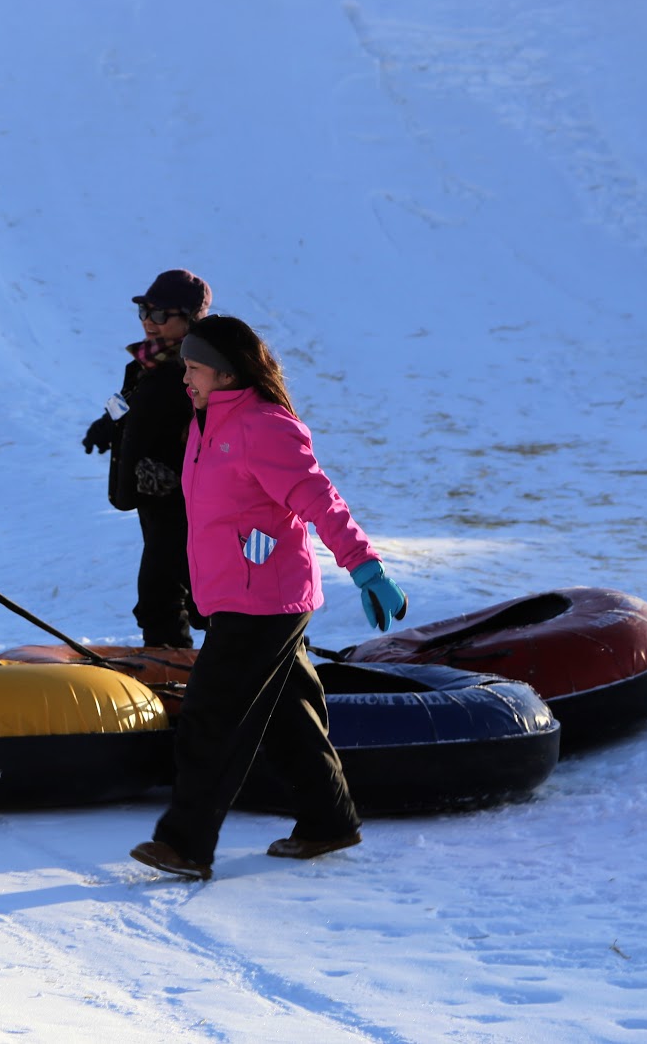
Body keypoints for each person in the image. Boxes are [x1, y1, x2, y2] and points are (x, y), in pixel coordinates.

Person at [129, 314, 408, 881]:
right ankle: (329, 820)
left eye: (197, 368)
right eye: (186, 367)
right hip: (238, 591)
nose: (188, 378)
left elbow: (319, 499)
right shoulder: (208, 421)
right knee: (288, 716)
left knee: (211, 716)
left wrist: (364, 566)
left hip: (264, 597)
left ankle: (185, 843)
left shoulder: (264, 426)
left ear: (228, 372)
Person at [82, 269, 211, 647]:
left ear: (189, 318)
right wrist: (106, 424)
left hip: (187, 499)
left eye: (159, 315)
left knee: (187, 590)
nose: (148, 324)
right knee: (162, 589)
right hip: (154, 497)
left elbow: (221, 429)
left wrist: (179, 468)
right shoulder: (148, 363)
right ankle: (172, 663)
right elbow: (128, 400)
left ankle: (226, 670)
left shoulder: (201, 369)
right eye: (144, 312)